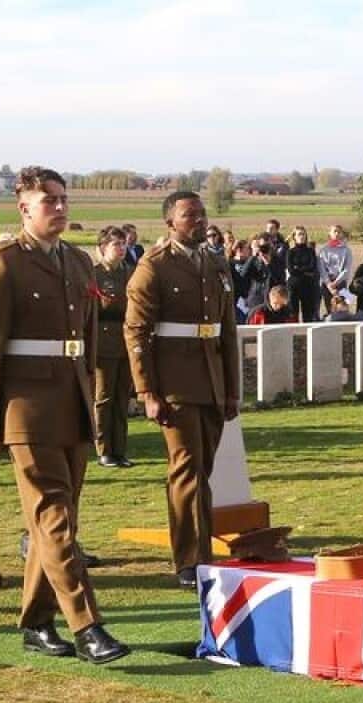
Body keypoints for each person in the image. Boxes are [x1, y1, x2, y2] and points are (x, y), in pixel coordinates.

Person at [0, 167, 128, 663]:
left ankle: (37, 620)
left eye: (63, 200)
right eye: (48, 201)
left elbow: (84, 339)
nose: (59, 209)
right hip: (25, 407)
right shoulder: (3, 264)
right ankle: (87, 625)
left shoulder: (79, 263)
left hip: (71, 402)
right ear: (24, 208)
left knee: (59, 520)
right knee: (53, 514)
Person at [125, 190, 240, 590]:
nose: (200, 220)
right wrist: (147, 392)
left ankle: (200, 552)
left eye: (202, 213)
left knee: (202, 471)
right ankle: (191, 560)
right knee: (187, 470)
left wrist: (231, 390)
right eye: (189, 215)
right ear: (170, 223)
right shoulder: (154, 267)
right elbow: (136, 332)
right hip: (175, 384)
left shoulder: (216, 263)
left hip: (211, 381)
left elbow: (227, 332)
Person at [92, 227, 134, 469]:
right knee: (104, 398)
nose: (121, 248)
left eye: (123, 244)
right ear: (102, 248)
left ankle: (120, 449)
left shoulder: (131, 273)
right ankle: (104, 449)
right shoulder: (95, 275)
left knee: (121, 397)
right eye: (115, 244)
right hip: (104, 344)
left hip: (126, 343)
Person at [285, 226, 321, 322]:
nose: (301, 236)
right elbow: (291, 270)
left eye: (303, 234)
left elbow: (312, 267)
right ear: (294, 237)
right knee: (293, 313)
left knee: (308, 313)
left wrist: (298, 268)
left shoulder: (310, 251)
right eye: (299, 234)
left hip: (308, 286)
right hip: (293, 286)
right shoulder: (290, 252)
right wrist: (305, 270)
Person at [318, 225, 353, 317]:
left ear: (342, 234)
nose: (337, 234)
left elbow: (347, 269)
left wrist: (336, 282)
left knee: (344, 308)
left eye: (339, 232)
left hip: (341, 283)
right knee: (330, 310)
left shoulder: (346, 250)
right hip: (327, 284)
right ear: (330, 233)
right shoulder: (323, 250)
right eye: (334, 231)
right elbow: (321, 268)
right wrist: (329, 284)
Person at [261, 218, 288, 289]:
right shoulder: (262, 241)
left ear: (277, 230)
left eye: (271, 228)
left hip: (277, 279)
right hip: (264, 279)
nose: (268, 230)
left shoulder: (283, 244)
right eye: (267, 228)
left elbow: (282, 262)